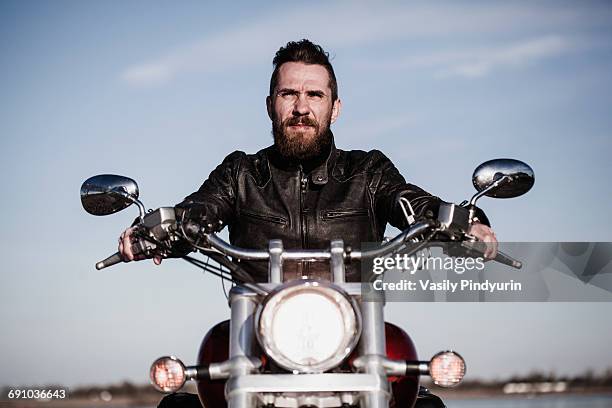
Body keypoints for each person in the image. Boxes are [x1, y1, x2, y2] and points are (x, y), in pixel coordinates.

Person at [119, 39, 497, 408]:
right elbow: (200, 210)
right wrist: (156, 231)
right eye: (289, 94)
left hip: (353, 339)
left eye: (315, 95)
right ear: (271, 105)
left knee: (413, 387)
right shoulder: (241, 174)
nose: (301, 107)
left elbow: (412, 203)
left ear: (335, 108)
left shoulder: (368, 172)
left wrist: (468, 223)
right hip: (258, 339)